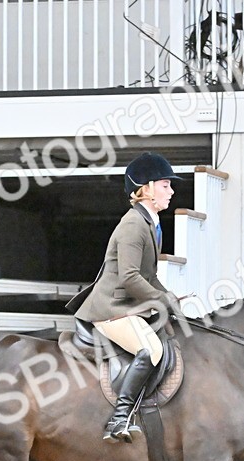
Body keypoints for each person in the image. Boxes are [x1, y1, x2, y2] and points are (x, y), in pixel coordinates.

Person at [66, 152, 184, 443]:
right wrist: (159, 299)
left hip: (127, 305)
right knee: (151, 351)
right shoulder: (133, 225)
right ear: (146, 188)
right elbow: (129, 277)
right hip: (110, 308)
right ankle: (119, 419)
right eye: (166, 184)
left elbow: (149, 274)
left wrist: (168, 297)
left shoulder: (151, 223)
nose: (172, 191)